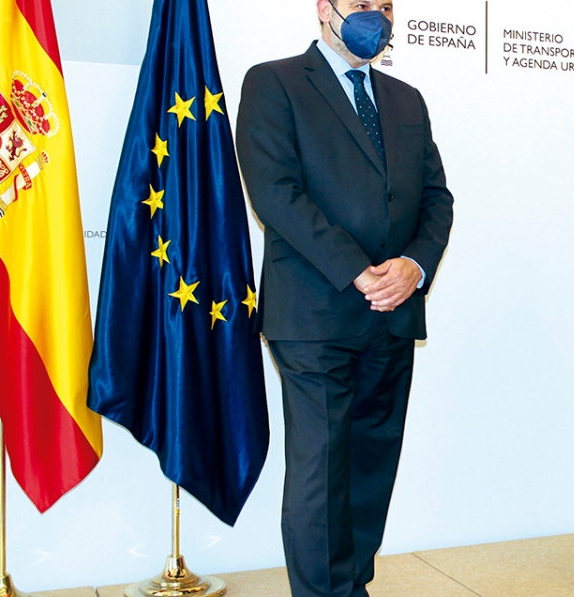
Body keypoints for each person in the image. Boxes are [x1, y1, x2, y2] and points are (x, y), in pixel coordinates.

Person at [234, 1, 454, 596]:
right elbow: (274, 192)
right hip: (314, 314)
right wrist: (357, 270)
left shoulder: (407, 99)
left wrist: (414, 266)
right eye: (361, 4)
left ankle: (351, 587)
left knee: (370, 469)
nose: (374, 16)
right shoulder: (274, 82)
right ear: (323, 9)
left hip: (394, 312)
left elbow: (436, 198)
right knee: (322, 471)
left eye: (385, 6)